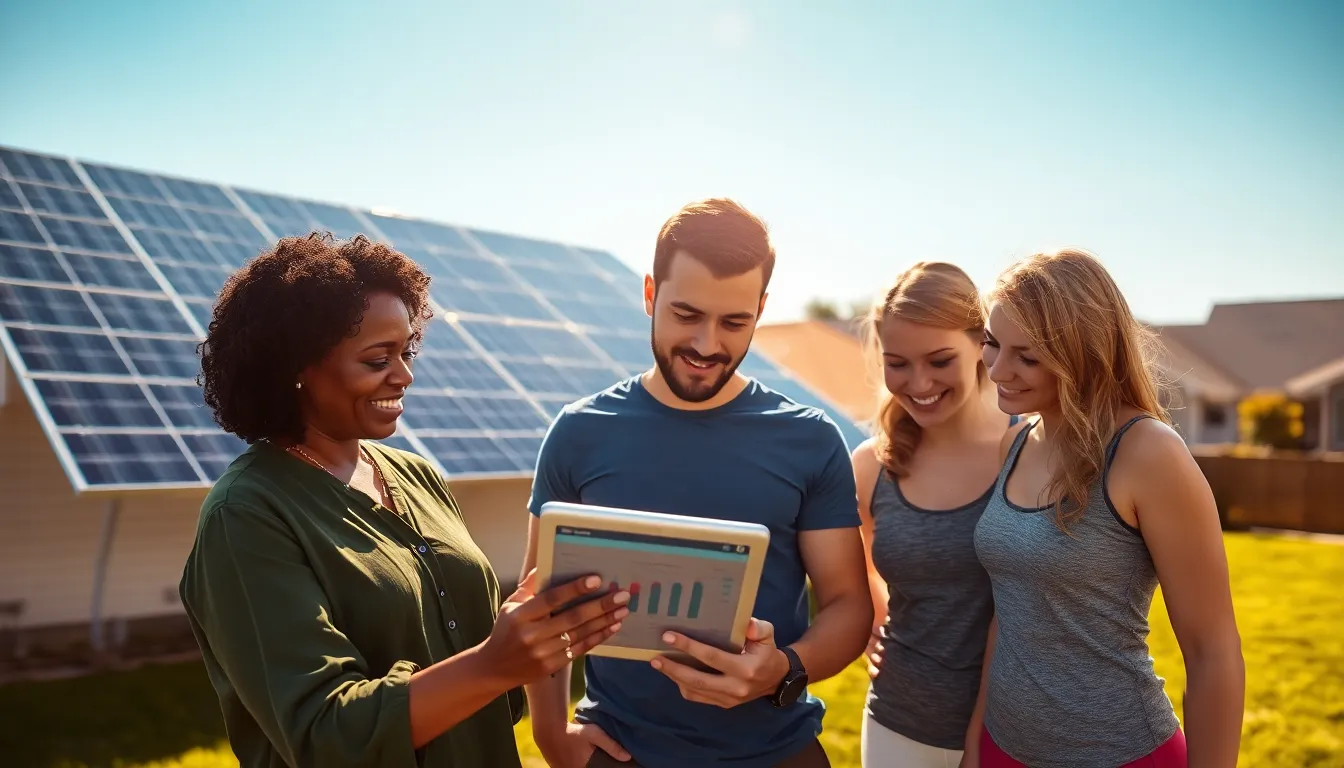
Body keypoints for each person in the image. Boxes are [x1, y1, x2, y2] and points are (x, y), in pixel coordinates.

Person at [178, 232, 630, 768]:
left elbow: (489, 689)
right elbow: (323, 735)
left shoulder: (417, 476)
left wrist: (531, 633)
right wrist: (492, 664)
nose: (405, 376)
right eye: (378, 359)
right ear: (297, 369)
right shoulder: (247, 515)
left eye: (407, 351)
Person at [518, 199, 873, 768]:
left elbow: (848, 605)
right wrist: (550, 733)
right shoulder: (579, 432)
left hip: (777, 754)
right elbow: (539, 602)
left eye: (734, 322)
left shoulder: (810, 438)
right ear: (650, 294)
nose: (707, 345)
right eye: (686, 314)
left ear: (761, 309)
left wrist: (784, 669)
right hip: (619, 752)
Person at [973, 248, 1245, 767]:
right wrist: (976, 740)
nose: (998, 369)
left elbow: (1213, 651)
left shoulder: (1148, 453)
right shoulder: (1016, 442)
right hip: (1002, 745)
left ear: (1085, 353)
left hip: (1122, 753)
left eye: (1027, 356)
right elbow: (1008, 614)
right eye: (992, 343)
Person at [851, 262, 1015, 768]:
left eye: (940, 361)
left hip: (1015, 735)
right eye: (897, 363)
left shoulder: (1030, 450)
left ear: (982, 345)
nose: (919, 382)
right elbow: (856, 572)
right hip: (897, 726)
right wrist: (873, 617)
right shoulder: (870, 466)